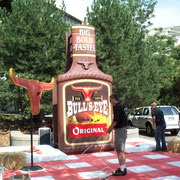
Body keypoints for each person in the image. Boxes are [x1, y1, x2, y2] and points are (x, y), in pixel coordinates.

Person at [106, 94, 128, 176]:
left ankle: (122, 170)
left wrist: (109, 129)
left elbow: (115, 121)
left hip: (120, 130)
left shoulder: (118, 108)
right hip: (121, 130)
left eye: (110, 99)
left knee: (120, 150)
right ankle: (123, 168)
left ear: (114, 99)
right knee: (120, 150)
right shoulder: (118, 107)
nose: (110, 101)